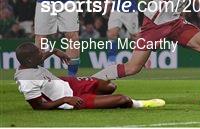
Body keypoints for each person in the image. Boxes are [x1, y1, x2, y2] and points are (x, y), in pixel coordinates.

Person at [14, 43, 165, 110]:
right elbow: (38, 107)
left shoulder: (29, 62)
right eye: (39, 53)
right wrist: (65, 99)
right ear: (29, 60)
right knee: (123, 99)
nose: (42, 54)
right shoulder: (26, 80)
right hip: (68, 99)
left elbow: (40, 57)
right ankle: (140, 104)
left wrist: (54, 51)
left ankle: (93, 97)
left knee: (110, 86)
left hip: (68, 84)